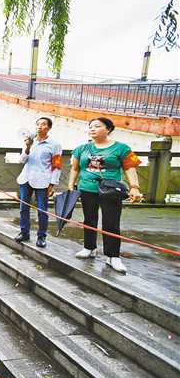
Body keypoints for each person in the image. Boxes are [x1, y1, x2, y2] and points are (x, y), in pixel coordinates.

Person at [68, 117, 143, 274]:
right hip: (87, 189)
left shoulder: (122, 148)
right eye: (90, 126)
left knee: (111, 222)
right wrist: (70, 186)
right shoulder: (82, 148)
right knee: (89, 219)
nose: (92, 129)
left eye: (97, 126)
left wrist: (134, 187)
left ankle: (113, 256)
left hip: (110, 190)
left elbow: (130, 168)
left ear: (108, 129)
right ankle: (89, 248)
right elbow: (75, 168)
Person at [15, 117, 62, 248]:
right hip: (26, 179)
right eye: (38, 124)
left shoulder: (54, 145)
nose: (39, 127)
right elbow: (22, 160)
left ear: (49, 128)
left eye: (43, 124)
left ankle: (41, 237)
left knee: (42, 210)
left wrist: (52, 184)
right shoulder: (29, 141)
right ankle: (24, 232)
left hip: (43, 181)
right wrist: (27, 147)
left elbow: (57, 166)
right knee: (23, 208)